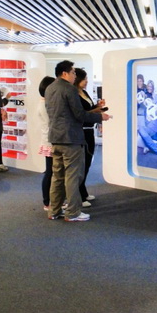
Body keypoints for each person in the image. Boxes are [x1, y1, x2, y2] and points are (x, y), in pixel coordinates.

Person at [45, 60, 110, 222]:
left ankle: (54, 211)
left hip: (55, 138)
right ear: (65, 73)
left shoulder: (50, 88)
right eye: (73, 72)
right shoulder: (69, 89)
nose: (75, 75)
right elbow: (79, 114)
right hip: (71, 138)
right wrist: (100, 117)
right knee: (73, 176)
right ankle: (73, 212)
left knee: (57, 176)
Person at [74, 68, 105, 206]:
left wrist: (98, 106)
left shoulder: (84, 92)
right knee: (82, 164)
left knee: (87, 163)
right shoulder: (74, 95)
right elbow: (81, 114)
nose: (86, 81)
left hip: (89, 130)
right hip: (82, 131)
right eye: (84, 79)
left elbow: (88, 110)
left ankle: (83, 191)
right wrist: (96, 111)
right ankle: (79, 195)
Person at [38, 75, 56, 211]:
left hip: (48, 140)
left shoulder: (43, 103)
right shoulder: (46, 105)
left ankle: (50, 201)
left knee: (51, 172)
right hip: (50, 142)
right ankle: (47, 202)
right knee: (50, 173)